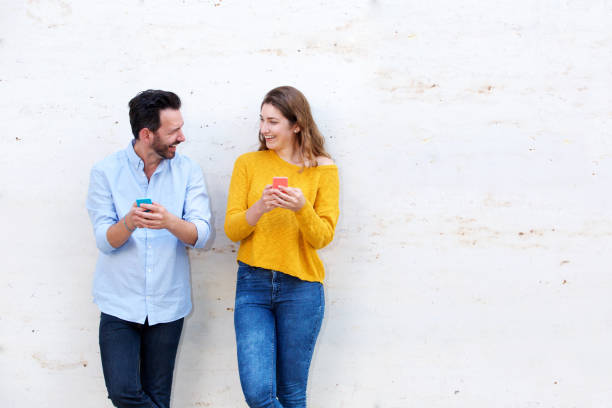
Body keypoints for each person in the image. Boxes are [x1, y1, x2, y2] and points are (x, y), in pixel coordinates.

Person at [86, 89, 212, 408]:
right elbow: (105, 241)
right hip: (119, 302)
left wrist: (169, 221)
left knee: (158, 397)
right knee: (124, 392)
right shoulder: (105, 172)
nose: (181, 137)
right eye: (173, 131)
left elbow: (202, 235)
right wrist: (129, 222)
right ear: (147, 134)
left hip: (167, 304)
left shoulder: (188, 171)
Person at [224, 86, 340, 408]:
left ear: (296, 124)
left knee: (291, 395)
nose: (264, 129)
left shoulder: (323, 168)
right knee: (260, 395)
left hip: (301, 288)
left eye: (273, 122)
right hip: (253, 286)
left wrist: (302, 207)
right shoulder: (247, 163)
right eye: (262, 120)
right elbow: (233, 229)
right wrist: (259, 207)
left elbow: (323, 237)